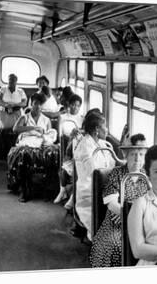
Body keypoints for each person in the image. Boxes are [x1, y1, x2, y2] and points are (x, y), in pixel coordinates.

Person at [89, 134, 151, 267]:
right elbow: (112, 204)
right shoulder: (116, 173)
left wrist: (135, 217)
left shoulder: (146, 176)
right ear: (126, 155)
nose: (137, 159)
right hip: (117, 222)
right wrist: (129, 215)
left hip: (139, 223)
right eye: (133, 154)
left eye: (141, 154)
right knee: (117, 246)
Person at [70, 112, 115, 242]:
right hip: (89, 192)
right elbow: (94, 174)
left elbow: (112, 164)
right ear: (96, 129)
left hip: (102, 186)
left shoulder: (102, 144)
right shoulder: (85, 148)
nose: (106, 129)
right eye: (104, 126)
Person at [8, 93, 58, 202]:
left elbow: (50, 134)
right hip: (27, 141)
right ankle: (24, 189)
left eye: (40, 105)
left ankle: (48, 190)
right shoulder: (24, 117)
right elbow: (15, 129)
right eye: (36, 104)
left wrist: (44, 137)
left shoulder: (46, 120)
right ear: (31, 104)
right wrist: (33, 128)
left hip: (40, 142)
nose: (38, 107)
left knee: (53, 154)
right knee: (23, 155)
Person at [53, 94, 84, 203]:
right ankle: (62, 191)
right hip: (66, 143)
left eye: (77, 105)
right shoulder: (63, 117)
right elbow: (62, 132)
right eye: (73, 105)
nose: (75, 107)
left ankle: (72, 194)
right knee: (63, 168)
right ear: (69, 105)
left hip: (79, 145)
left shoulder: (81, 118)